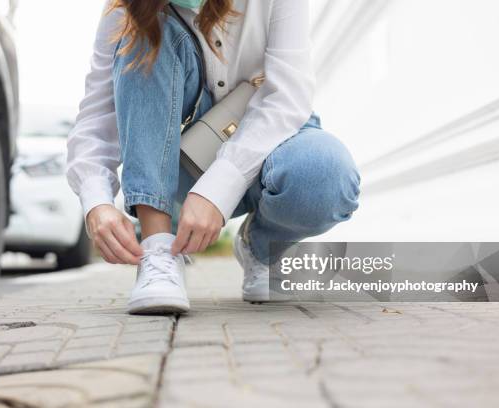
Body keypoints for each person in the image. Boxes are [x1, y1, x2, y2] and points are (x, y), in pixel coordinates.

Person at [66, 0, 361, 314]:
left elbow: (288, 97)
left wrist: (219, 187)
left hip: (273, 143)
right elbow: (98, 115)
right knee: (145, 33)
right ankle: (159, 250)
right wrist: (96, 201)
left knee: (326, 174)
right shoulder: (124, 6)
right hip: (174, 169)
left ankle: (261, 249)